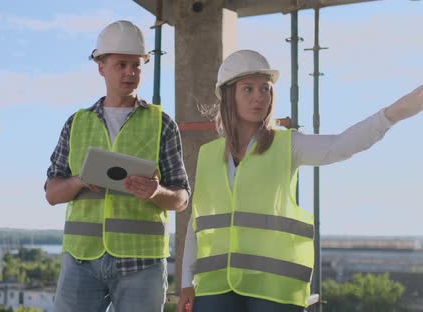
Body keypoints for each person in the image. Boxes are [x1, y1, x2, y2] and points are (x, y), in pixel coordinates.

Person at [177, 49, 423, 312]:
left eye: (265, 89)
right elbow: (197, 223)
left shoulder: (288, 144)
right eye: (248, 89)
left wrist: (393, 113)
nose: (259, 97)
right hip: (216, 287)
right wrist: (185, 284)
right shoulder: (208, 154)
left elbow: (341, 145)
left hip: (273, 288)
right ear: (228, 96)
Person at [45, 20, 190, 312]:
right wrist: (78, 181)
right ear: (101, 66)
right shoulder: (76, 124)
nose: (130, 73)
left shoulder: (162, 124)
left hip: (142, 263)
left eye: (136, 65)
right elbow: (52, 193)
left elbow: (182, 197)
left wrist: (156, 192)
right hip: (81, 261)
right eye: (121, 65)